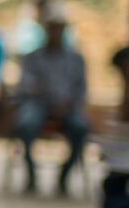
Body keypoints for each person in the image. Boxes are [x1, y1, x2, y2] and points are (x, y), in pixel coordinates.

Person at [15, 14, 90, 195]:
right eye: (52, 29)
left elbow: (81, 89)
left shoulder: (76, 59)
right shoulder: (33, 58)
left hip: (67, 107)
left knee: (80, 127)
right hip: (38, 105)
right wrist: (43, 94)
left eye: (59, 29)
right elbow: (25, 85)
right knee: (26, 125)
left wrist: (68, 104)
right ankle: (31, 174)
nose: (55, 33)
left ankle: (64, 175)